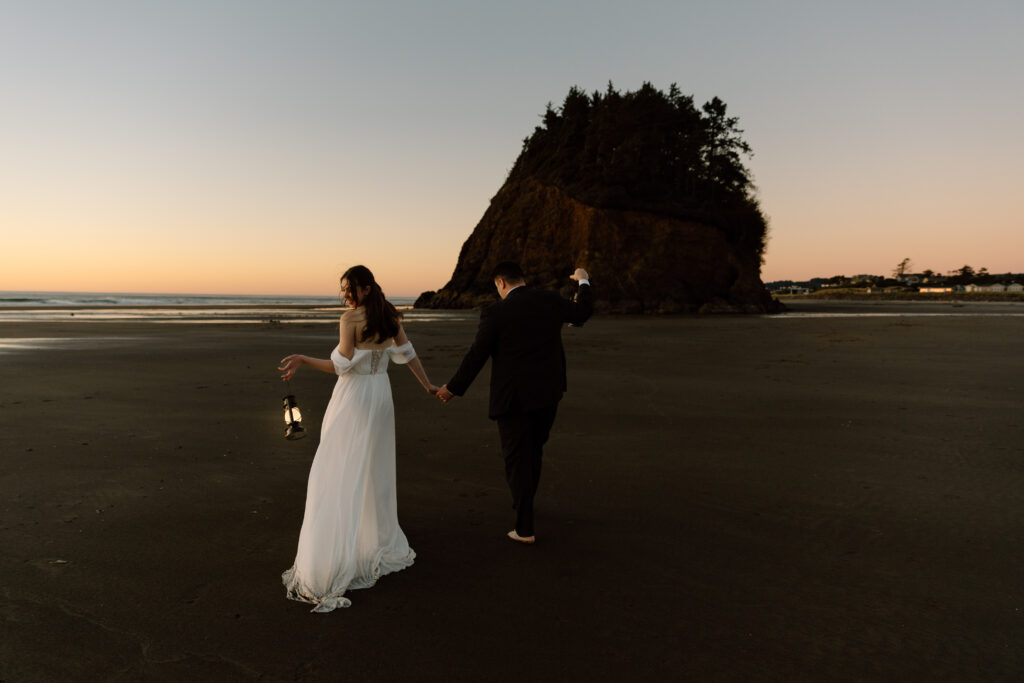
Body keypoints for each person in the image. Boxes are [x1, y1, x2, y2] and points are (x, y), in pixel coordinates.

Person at [277, 265, 438, 612]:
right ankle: (371, 537)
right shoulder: (390, 314)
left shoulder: (350, 319)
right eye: (345, 289)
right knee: (371, 468)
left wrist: (304, 359)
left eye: (351, 289)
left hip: (353, 398)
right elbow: (408, 355)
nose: (347, 294)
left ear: (365, 288)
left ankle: (338, 550)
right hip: (380, 396)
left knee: (337, 469)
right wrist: (427, 385)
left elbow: (341, 366)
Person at [436, 262, 592, 544]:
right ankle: (526, 504)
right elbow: (582, 313)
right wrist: (583, 281)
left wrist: (453, 389)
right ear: (521, 279)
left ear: (501, 283)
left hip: (514, 398)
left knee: (516, 458)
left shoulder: (496, 312)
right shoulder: (549, 300)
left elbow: (477, 355)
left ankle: (524, 528)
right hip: (549, 394)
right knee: (533, 450)